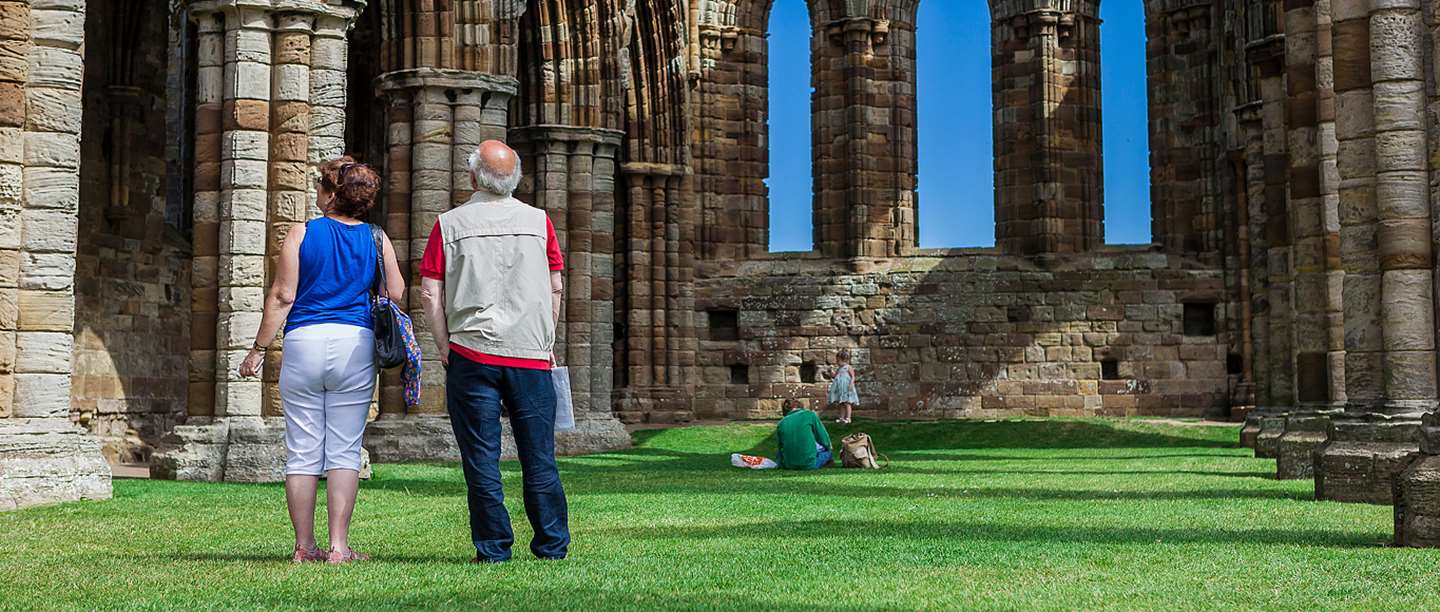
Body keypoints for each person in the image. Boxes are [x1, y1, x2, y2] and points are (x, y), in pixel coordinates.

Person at [238, 157, 406, 564]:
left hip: (304, 341)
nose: (316, 191)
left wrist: (258, 349)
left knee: (302, 449)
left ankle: (304, 546)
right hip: (354, 343)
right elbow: (396, 291)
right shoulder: (376, 237)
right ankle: (339, 547)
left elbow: (283, 295)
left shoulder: (302, 232)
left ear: (333, 195)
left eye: (320, 185)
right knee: (345, 449)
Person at [418, 140, 570, 563]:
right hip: (530, 354)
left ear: (472, 177)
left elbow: (430, 292)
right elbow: (556, 285)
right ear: (516, 178)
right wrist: (545, 340)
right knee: (539, 456)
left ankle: (493, 548)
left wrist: (444, 345)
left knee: (481, 458)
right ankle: (552, 545)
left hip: (472, 352)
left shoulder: (448, 224)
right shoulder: (540, 222)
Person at [776, 399, 833, 470]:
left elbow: (780, 448)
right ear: (801, 407)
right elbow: (823, 438)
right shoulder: (810, 415)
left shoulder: (781, 423)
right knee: (828, 452)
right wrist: (829, 447)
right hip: (809, 464)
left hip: (788, 465)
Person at [828, 349, 860, 424]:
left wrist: (851, 384)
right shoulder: (839, 369)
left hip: (846, 387)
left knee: (847, 403)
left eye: (838, 360)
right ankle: (842, 418)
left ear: (844, 360)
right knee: (841, 403)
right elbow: (835, 376)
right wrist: (831, 371)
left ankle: (848, 418)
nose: (837, 362)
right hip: (841, 388)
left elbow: (853, 376)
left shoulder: (848, 367)